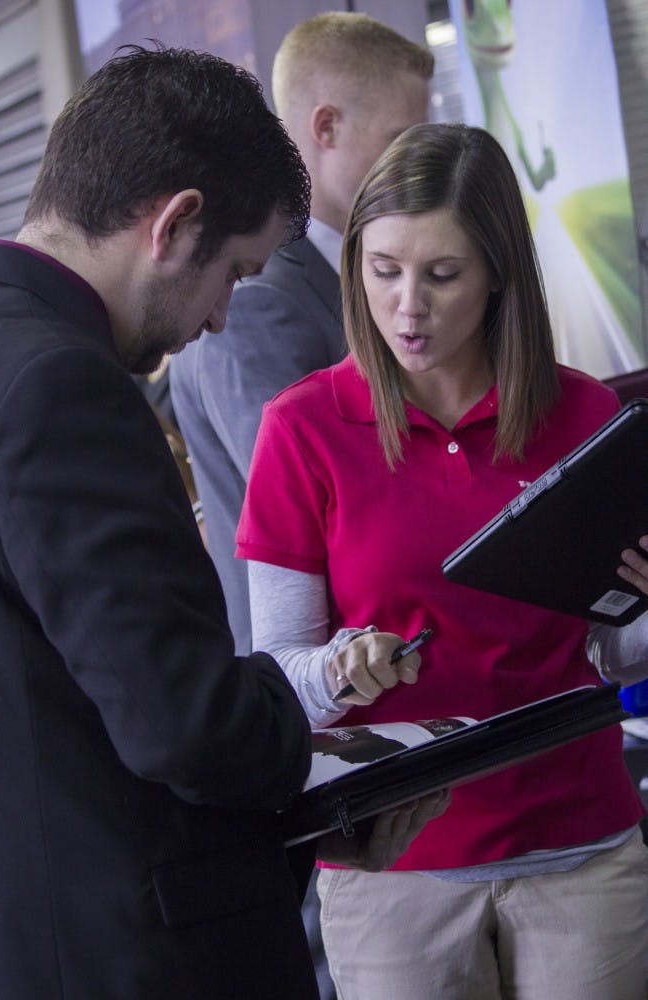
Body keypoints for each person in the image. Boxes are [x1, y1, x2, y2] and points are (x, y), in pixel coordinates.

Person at [0, 48, 450, 1000]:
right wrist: (320, 755)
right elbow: (177, 723)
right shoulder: (63, 386)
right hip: (137, 948)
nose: (223, 318)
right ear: (175, 224)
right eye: (234, 271)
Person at [236, 122, 648, 1000]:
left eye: (441, 274)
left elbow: (613, 654)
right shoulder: (301, 428)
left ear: (498, 272)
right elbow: (277, 667)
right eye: (383, 271)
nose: (407, 307)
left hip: (579, 844)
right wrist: (341, 669)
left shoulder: (583, 415)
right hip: (393, 863)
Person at [170, 11, 434, 655]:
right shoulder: (260, 302)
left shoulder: (340, 274)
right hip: (325, 679)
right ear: (326, 128)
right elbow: (315, 510)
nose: (421, 162)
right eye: (403, 137)